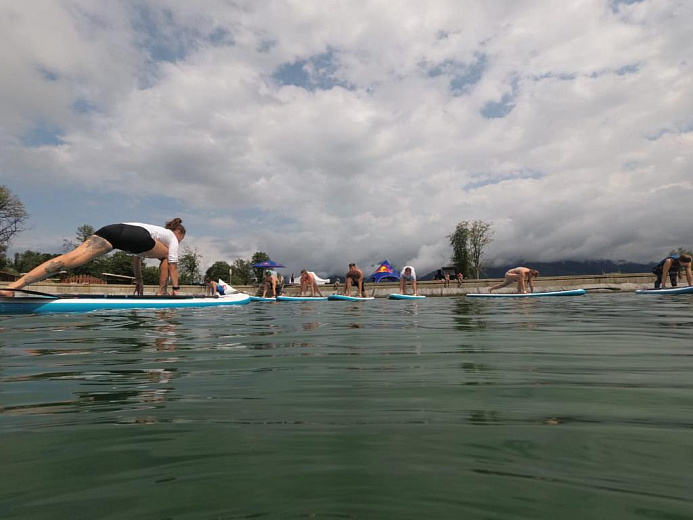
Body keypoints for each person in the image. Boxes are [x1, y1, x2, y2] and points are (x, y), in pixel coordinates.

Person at [0, 219, 186, 298]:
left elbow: (136, 258)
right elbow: (172, 266)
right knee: (165, 256)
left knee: (70, 258)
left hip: (112, 230)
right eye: (181, 238)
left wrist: (139, 279)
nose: (178, 242)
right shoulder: (171, 237)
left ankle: (13, 287)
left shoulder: (156, 231)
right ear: (178, 233)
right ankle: (162, 293)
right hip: (135, 236)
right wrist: (176, 289)